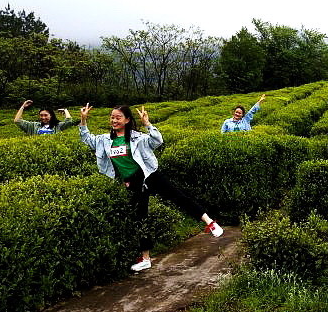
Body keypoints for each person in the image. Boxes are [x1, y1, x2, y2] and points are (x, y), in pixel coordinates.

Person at [79, 103, 223, 272]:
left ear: (127, 120)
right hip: (133, 183)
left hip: (149, 175)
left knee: (178, 197)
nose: (114, 120)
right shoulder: (105, 139)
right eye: (112, 117)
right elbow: (87, 139)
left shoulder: (137, 137)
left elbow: (157, 141)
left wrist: (147, 124)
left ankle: (210, 223)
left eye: (118, 117)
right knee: (140, 218)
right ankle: (146, 258)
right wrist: (83, 119)